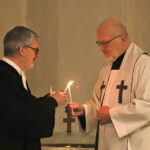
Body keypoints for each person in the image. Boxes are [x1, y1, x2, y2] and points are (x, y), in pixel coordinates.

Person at [66, 18, 150, 150]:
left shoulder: (144, 64)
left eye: (105, 43)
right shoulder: (106, 70)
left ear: (123, 38)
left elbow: (147, 106)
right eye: (99, 43)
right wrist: (84, 111)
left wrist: (113, 115)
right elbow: (98, 105)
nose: (101, 49)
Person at [0, 26, 67, 150]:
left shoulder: (11, 75)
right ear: (22, 50)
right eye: (35, 50)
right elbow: (24, 118)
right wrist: (52, 102)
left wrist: (48, 99)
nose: (37, 56)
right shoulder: (4, 77)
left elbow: (24, 106)